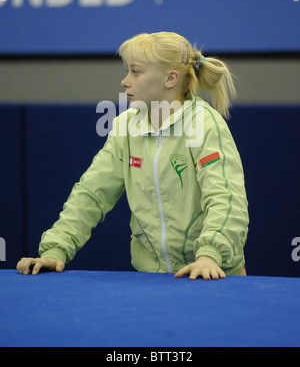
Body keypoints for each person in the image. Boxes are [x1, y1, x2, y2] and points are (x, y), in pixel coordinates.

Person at [17, 32, 249, 280]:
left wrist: (209, 256)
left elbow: (226, 199)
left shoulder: (205, 124)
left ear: (170, 78)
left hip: (212, 275)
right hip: (153, 280)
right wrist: (56, 249)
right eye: (128, 71)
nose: (125, 81)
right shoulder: (125, 127)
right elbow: (92, 193)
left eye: (136, 72)